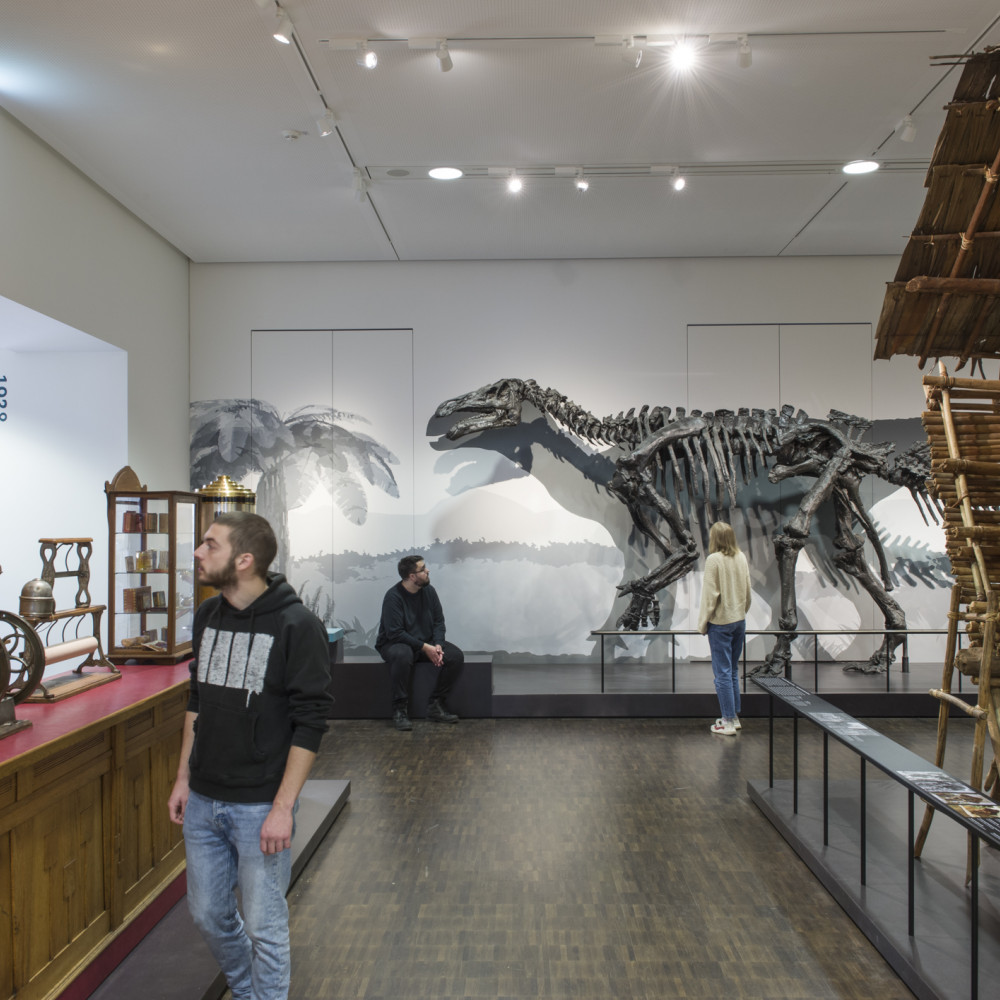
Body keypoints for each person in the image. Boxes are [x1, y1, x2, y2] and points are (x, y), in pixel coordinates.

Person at [167, 512, 332, 1000]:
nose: (198, 553)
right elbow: (197, 701)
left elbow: (311, 721)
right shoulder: (206, 616)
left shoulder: (296, 625)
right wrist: (182, 778)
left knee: (264, 926)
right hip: (202, 799)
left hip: (260, 805)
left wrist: (283, 807)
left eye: (209, 545)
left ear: (244, 560)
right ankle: (246, 990)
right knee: (208, 915)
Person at [375, 554, 464, 731]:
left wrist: (437, 644)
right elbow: (395, 633)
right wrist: (425, 647)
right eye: (423, 569)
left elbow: (439, 621)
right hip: (395, 643)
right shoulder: (393, 597)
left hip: (425, 642)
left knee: (455, 656)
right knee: (402, 654)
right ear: (412, 576)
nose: (427, 570)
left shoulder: (429, 592)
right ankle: (400, 709)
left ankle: (436, 705)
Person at [698, 520, 752, 737]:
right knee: (732, 671)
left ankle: (727, 721)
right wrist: (741, 612)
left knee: (722, 673)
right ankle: (734, 716)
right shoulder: (741, 557)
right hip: (739, 621)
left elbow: (710, 595)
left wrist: (703, 622)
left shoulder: (713, 560)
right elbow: (747, 591)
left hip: (720, 623)